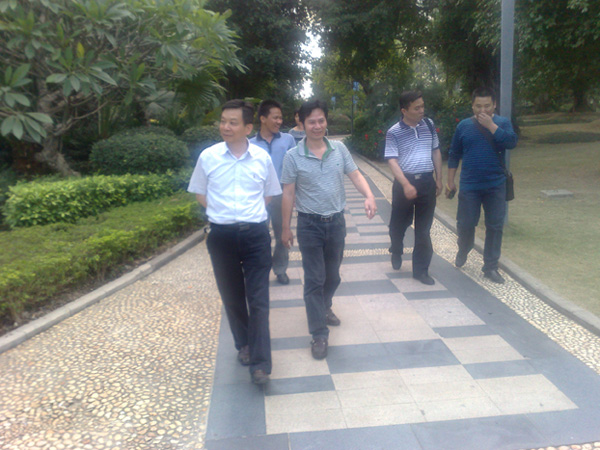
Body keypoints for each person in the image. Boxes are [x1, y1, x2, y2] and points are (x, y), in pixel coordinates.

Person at [188, 99, 281, 385]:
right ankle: (244, 344)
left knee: (258, 299)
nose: (225, 127)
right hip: (221, 237)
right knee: (232, 296)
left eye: (232, 122)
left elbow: (268, 195)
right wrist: (223, 212)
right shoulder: (208, 157)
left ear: (247, 128)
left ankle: (261, 364)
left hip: (255, 235)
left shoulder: (262, 158)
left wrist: (247, 216)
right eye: (223, 121)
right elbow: (200, 194)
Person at [280, 100, 377, 360]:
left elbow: (355, 175)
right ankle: (319, 334)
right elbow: (288, 193)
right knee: (314, 279)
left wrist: (369, 195)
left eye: (321, 120)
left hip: (335, 223)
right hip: (309, 225)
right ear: (302, 123)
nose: (317, 126)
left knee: (332, 277)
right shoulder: (292, 156)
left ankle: (324, 306)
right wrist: (285, 228)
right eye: (311, 121)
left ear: (326, 121)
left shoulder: (339, 149)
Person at [446, 87, 518, 284]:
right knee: (466, 224)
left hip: (495, 184)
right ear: (472, 106)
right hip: (470, 185)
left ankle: (490, 267)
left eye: (487, 106)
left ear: (494, 105)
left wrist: (491, 126)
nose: (482, 110)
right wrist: (450, 181)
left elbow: (511, 142)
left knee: (495, 226)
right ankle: (464, 248)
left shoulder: (502, 123)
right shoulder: (464, 126)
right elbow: (454, 154)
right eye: (478, 106)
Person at [384, 91, 443, 285]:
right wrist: (406, 184)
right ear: (404, 110)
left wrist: (439, 178)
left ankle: (421, 271)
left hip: (426, 182)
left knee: (424, 230)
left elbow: (435, 151)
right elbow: (392, 161)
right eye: (417, 108)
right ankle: (396, 248)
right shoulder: (394, 132)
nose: (421, 111)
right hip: (404, 183)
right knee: (398, 224)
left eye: (422, 106)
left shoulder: (429, 125)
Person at [250, 100, 297, 285]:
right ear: (263, 119)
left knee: (282, 234)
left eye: (280, 118)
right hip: (258, 197)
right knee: (259, 237)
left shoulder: (288, 140)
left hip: (281, 195)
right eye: (275, 118)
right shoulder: (250, 144)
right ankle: (259, 270)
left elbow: (295, 168)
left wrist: (295, 194)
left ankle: (280, 269)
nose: (279, 121)